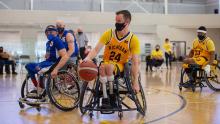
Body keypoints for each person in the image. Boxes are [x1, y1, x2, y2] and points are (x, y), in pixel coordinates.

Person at [84, 10, 141, 109]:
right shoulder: (109, 33)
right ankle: (105, 98)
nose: (116, 23)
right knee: (102, 68)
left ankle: (111, 96)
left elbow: (135, 63)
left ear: (126, 23)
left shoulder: (133, 39)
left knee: (109, 67)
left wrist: (135, 82)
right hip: (106, 62)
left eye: (119, 21)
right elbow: (96, 49)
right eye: (116, 20)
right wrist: (87, 58)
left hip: (120, 65)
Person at [25, 25, 69, 95]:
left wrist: (56, 69)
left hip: (53, 63)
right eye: (47, 32)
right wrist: (47, 55)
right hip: (47, 62)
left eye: (51, 32)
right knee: (28, 66)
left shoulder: (57, 40)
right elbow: (48, 55)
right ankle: (38, 87)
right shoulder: (48, 43)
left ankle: (41, 89)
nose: (49, 34)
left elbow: (65, 56)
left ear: (56, 33)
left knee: (38, 69)